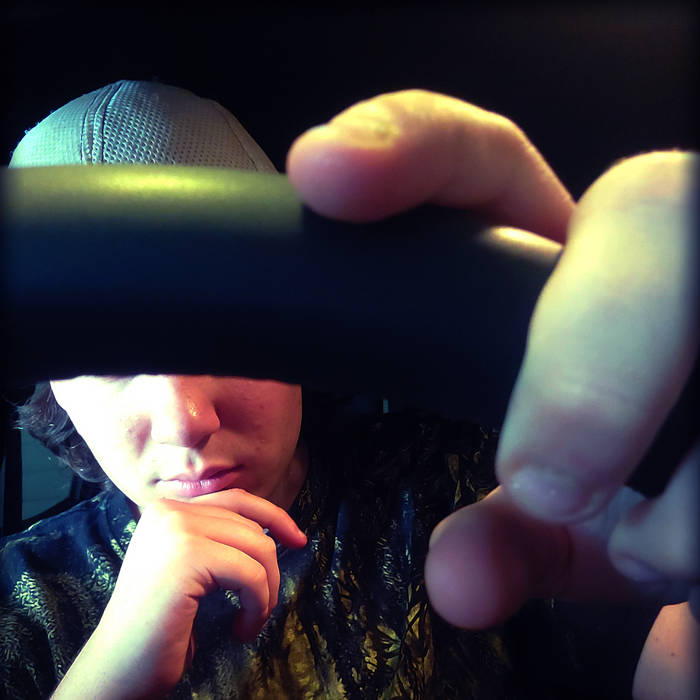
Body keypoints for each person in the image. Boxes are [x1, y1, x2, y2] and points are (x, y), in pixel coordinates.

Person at [0, 81, 696, 699]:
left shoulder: (469, 488)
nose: (186, 420)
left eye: (227, 331)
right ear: (55, 386)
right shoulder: (18, 601)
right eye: (109, 356)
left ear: (304, 329)